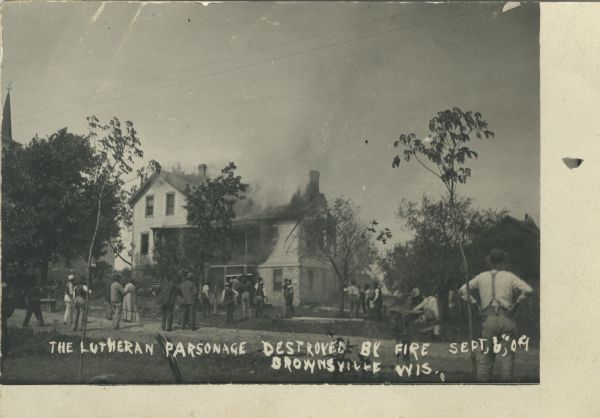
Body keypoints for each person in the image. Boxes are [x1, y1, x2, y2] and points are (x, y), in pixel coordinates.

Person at [459, 248, 533, 383]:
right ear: (503, 261)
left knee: (486, 357)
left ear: (489, 261)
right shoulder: (510, 276)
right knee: (507, 358)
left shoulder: (481, 276)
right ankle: (505, 390)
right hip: (507, 319)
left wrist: (474, 304)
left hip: (489, 320)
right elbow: (528, 290)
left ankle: (483, 389)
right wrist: (517, 304)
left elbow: (462, 290)